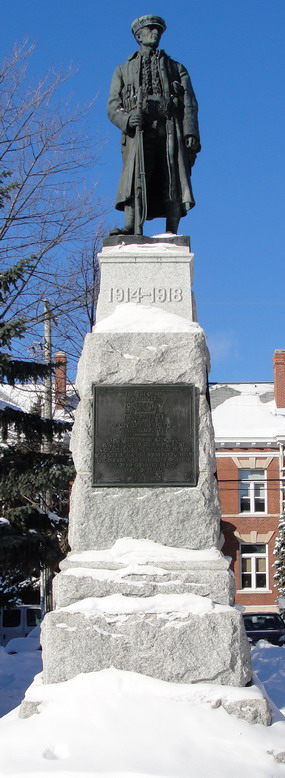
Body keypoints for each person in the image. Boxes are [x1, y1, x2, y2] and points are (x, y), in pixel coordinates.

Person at [107, 14, 201, 236]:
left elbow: (190, 103)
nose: (155, 33)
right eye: (150, 29)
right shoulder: (123, 69)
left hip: (170, 128)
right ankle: (131, 225)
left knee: (173, 177)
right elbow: (112, 105)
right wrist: (127, 119)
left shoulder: (176, 68)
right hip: (139, 132)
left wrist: (191, 133)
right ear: (138, 35)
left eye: (158, 30)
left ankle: (171, 229)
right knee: (135, 178)